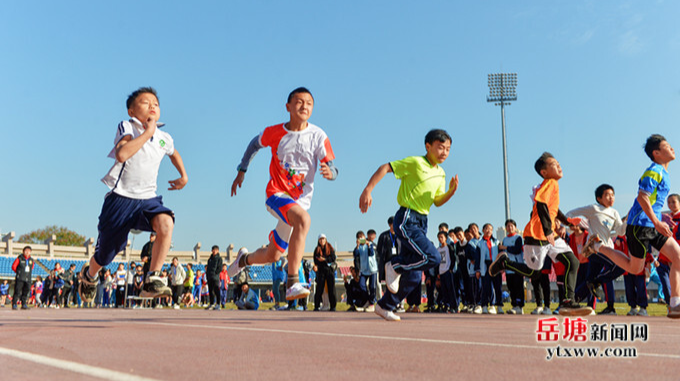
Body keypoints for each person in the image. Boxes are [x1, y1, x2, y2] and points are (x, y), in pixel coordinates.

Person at [78, 87, 188, 305]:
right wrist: (147, 132)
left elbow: (173, 153)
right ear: (131, 110)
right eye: (146, 102)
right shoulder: (127, 126)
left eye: (156, 103)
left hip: (148, 199)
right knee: (107, 255)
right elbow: (122, 154)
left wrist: (183, 176)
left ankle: (153, 278)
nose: (152, 106)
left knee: (166, 223)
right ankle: (89, 275)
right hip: (120, 199)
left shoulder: (164, 137)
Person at [228, 87, 338, 302]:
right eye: (299, 102)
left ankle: (243, 260)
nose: (304, 106)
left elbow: (333, 168)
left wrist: (330, 173)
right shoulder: (275, 132)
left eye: (309, 103)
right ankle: (292, 282)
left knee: (273, 255)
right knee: (304, 221)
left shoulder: (318, 136)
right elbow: (253, 144)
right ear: (288, 107)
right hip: (276, 194)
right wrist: (242, 170)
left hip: (299, 202)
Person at [360, 129, 459, 321]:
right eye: (440, 147)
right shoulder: (415, 162)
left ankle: (384, 306)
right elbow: (386, 167)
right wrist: (368, 189)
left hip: (423, 221)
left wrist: (450, 192)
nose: (444, 152)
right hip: (407, 218)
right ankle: (394, 264)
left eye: (448, 149)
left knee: (414, 276)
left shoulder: (441, 173)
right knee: (432, 257)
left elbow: (437, 201)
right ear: (428, 146)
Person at [584, 135, 680, 318]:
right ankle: (596, 246)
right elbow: (642, 197)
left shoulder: (664, 172)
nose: (673, 149)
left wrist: (662, 217)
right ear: (656, 153)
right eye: (667, 146)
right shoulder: (654, 171)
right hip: (639, 226)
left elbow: (653, 202)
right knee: (635, 268)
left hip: (653, 224)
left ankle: (675, 304)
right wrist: (658, 221)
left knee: (678, 256)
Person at [489, 152, 589, 316]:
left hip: (549, 236)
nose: (559, 165)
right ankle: (505, 263)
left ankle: (568, 301)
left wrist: (568, 222)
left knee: (573, 261)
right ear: (544, 172)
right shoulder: (549, 183)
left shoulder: (554, 185)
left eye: (558, 162)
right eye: (554, 164)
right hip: (536, 235)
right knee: (534, 273)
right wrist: (549, 230)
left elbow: (554, 210)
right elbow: (541, 205)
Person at [499, 219, 525, 315]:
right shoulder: (505, 239)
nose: (509, 228)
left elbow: (517, 250)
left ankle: (520, 306)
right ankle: (514, 305)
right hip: (508, 268)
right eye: (508, 226)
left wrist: (505, 248)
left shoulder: (518, 238)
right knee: (511, 287)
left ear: (515, 227)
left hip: (517, 266)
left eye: (511, 226)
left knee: (518, 287)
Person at [353, 231, 378, 311]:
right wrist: (357, 245)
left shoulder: (370, 245)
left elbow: (371, 254)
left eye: (362, 238)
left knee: (372, 287)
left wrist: (368, 244)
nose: (361, 239)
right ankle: (367, 301)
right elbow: (356, 255)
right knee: (361, 285)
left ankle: (371, 304)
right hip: (363, 270)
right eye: (359, 238)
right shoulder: (359, 247)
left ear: (365, 237)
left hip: (372, 269)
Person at [313, 233, 337, 311]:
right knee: (319, 288)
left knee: (331, 288)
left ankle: (333, 306)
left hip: (329, 270)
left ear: (326, 240)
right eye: (320, 239)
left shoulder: (330, 248)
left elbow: (333, 258)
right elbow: (316, 259)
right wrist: (318, 263)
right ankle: (316, 306)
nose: (322, 241)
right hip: (321, 271)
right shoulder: (317, 249)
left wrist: (325, 259)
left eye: (323, 239)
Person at [206, 245, 223, 310]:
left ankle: (218, 304)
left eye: (215, 250)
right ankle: (211, 304)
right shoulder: (210, 259)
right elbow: (208, 268)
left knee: (216, 290)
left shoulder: (219, 258)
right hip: (209, 277)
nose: (214, 251)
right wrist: (208, 275)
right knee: (210, 291)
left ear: (217, 251)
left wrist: (215, 273)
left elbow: (220, 268)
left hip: (215, 277)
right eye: (213, 250)